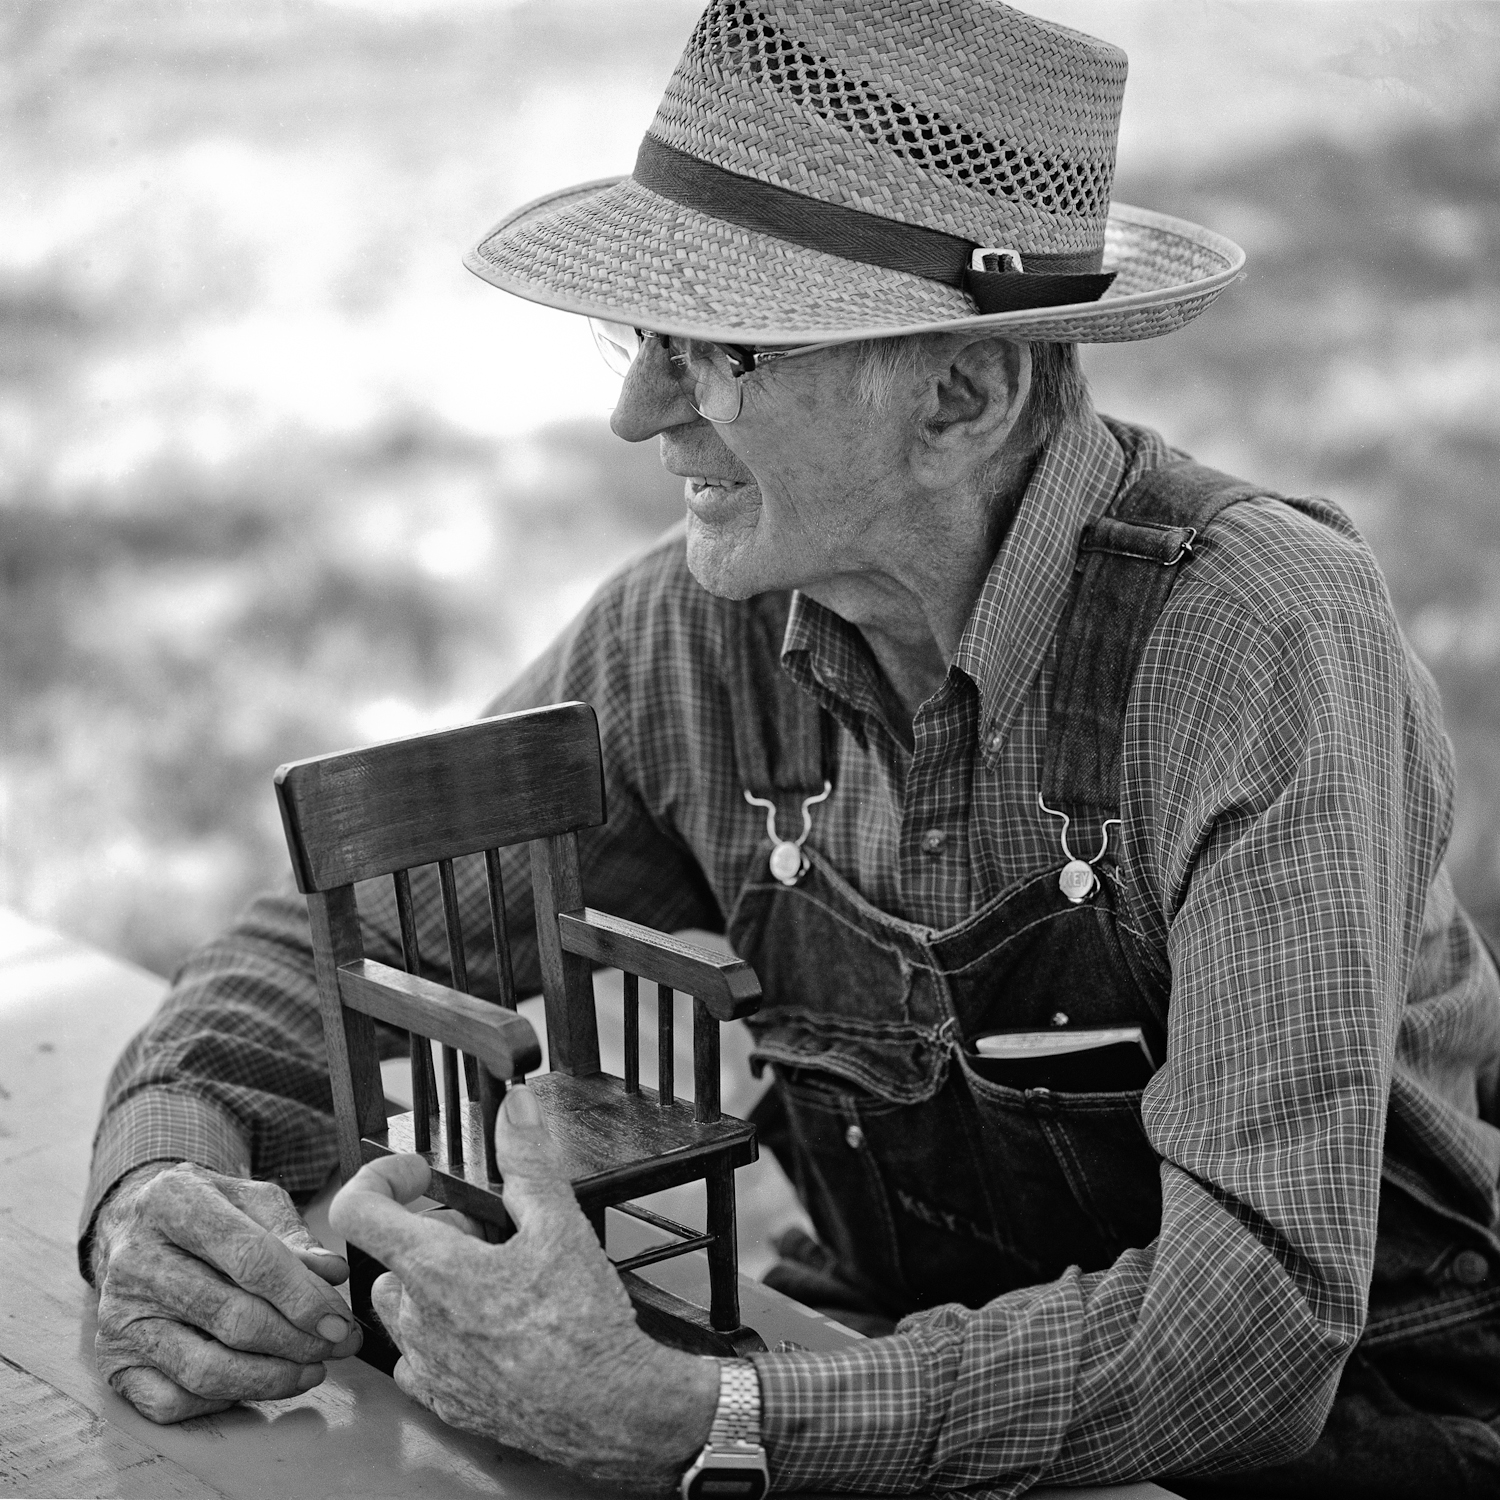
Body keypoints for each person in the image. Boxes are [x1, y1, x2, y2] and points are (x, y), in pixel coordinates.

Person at [81, 2, 1500, 1495]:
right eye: (644, 338)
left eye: (721, 352)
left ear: (963, 394)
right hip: (878, 1370)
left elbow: (1260, 1331)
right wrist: (157, 1190)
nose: (638, 413)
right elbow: (327, 947)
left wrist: (705, 1419)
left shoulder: (1260, 637)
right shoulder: (693, 638)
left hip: (1374, 1441)